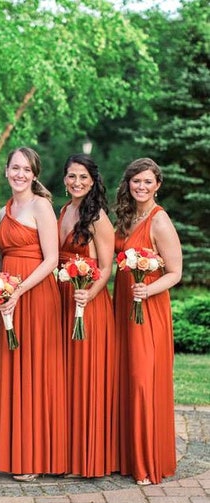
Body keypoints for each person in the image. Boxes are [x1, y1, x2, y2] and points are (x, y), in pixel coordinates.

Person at [0, 147, 67, 481]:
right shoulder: (6, 209)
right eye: (14, 168)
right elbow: (5, 256)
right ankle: (17, 453)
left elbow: (51, 259)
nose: (20, 174)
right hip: (9, 297)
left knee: (37, 370)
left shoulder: (41, 206)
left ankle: (39, 456)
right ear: (6, 171)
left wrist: (18, 291)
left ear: (35, 174)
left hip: (36, 297)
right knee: (14, 370)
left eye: (26, 169)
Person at [113, 158, 182, 485]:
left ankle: (147, 462)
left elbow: (175, 273)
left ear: (158, 185)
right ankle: (126, 458)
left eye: (147, 182)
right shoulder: (127, 218)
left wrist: (147, 289)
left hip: (149, 309)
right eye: (135, 181)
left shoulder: (159, 221)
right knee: (125, 379)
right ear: (128, 183)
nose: (141, 187)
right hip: (123, 306)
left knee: (143, 381)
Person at [58, 154, 118, 477]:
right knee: (67, 378)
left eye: (82, 177)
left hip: (88, 303)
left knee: (86, 377)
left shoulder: (98, 218)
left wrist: (88, 294)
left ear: (93, 181)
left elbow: (107, 267)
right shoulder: (65, 210)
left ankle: (90, 458)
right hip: (63, 300)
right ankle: (67, 453)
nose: (76, 182)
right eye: (71, 176)